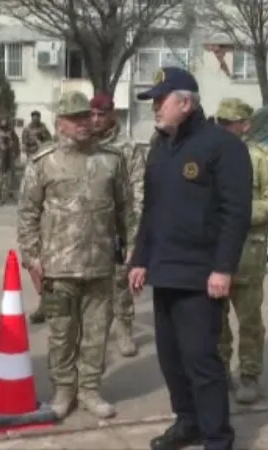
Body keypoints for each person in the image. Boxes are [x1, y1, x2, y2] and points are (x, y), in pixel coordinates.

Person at [128, 67, 251, 450]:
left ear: (185, 102)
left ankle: (217, 436)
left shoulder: (222, 146)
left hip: (201, 275)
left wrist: (223, 268)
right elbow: (151, 210)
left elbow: (236, 213)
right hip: (164, 271)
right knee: (171, 359)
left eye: (160, 101)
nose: (155, 109)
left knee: (201, 360)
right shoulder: (161, 147)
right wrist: (139, 258)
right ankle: (188, 421)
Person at [18, 91, 131, 420]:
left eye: (89, 116)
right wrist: (32, 257)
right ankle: (63, 390)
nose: (86, 122)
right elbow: (27, 213)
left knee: (97, 332)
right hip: (57, 269)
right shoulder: (43, 161)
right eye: (77, 118)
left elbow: (126, 210)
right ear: (60, 123)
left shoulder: (111, 159)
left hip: (100, 265)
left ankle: (90, 389)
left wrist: (130, 250)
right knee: (60, 332)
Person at [214, 98, 268, 404]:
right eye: (222, 123)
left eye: (232, 123)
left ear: (246, 124)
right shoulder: (209, 153)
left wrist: (238, 211)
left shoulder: (262, 158)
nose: (226, 129)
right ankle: (218, 374)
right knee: (213, 321)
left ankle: (249, 374)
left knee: (249, 320)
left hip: (248, 250)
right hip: (213, 251)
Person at [89, 91, 146, 357]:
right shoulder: (83, 144)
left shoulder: (127, 147)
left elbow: (138, 187)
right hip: (85, 226)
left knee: (119, 280)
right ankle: (92, 332)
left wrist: (134, 229)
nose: (97, 119)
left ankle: (123, 328)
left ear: (112, 114)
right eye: (93, 114)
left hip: (117, 225)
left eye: (102, 114)